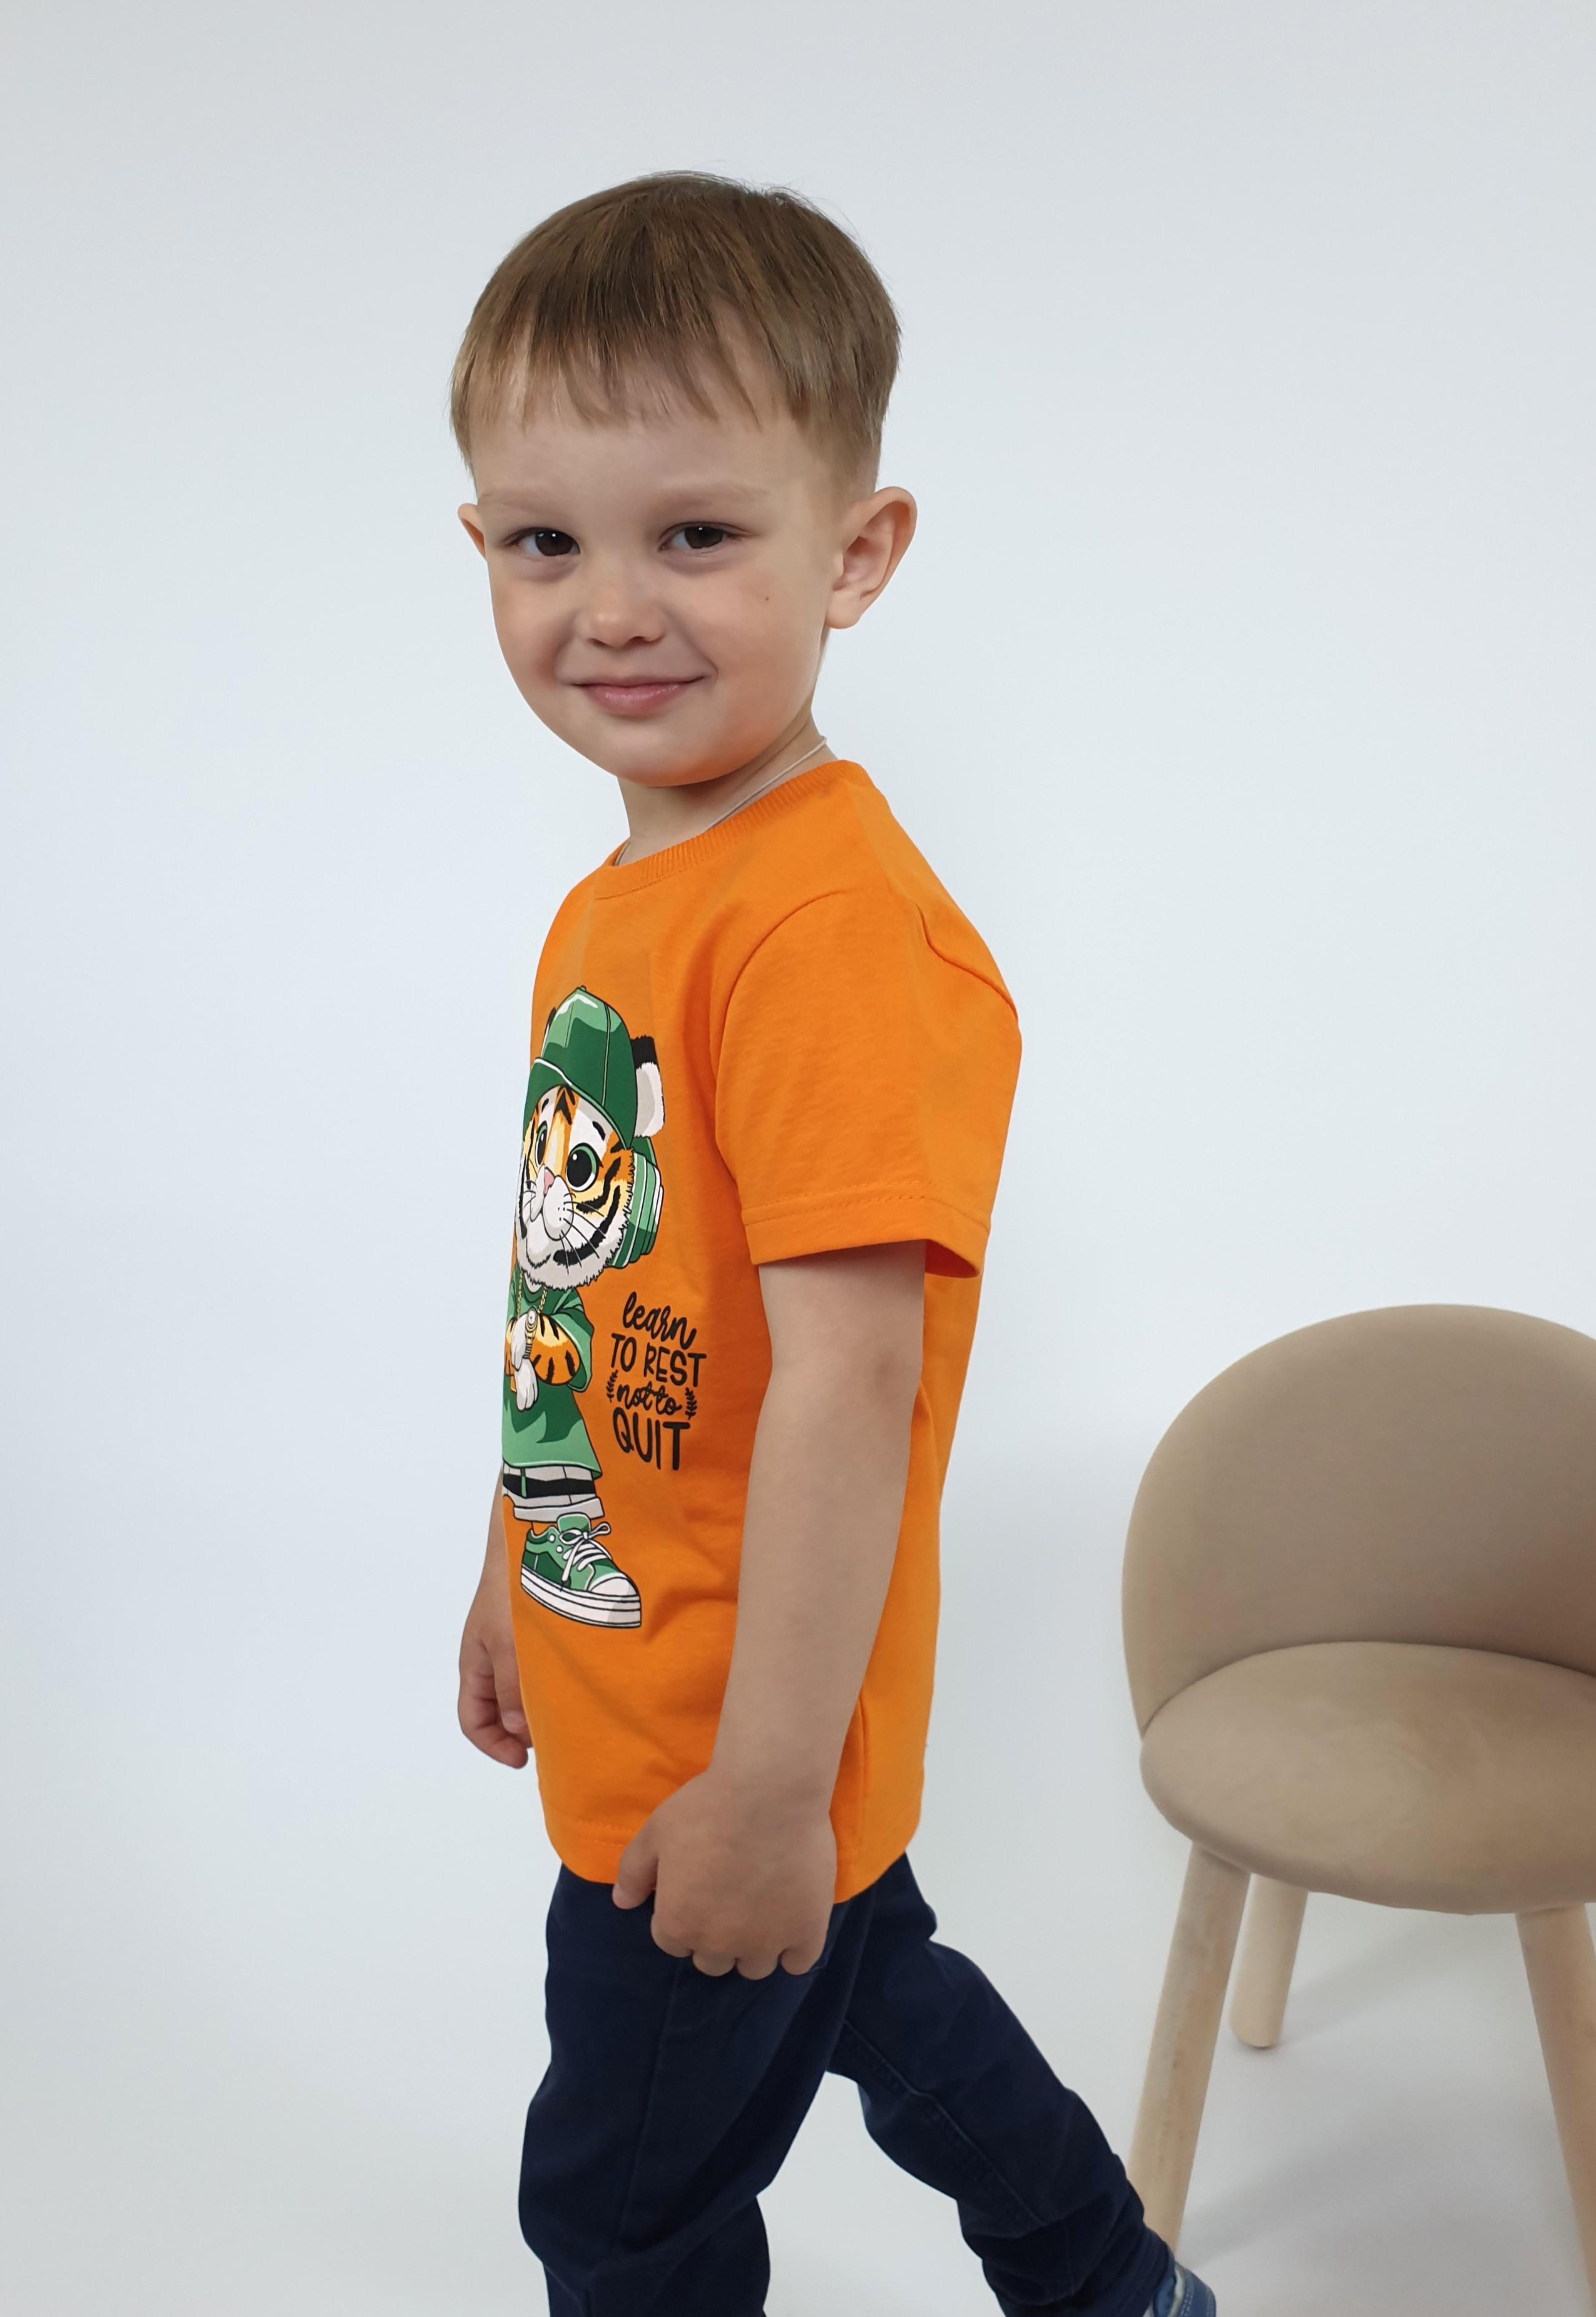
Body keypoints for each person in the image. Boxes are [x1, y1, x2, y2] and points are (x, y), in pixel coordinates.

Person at [453, 172, 1215, 2317]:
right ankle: (1115, 2287)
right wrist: (518, 1558)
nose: (613, 607)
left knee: (620, 2213)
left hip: (723, 1753)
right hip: (647, 1682)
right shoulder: (625, 905)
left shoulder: (825, 933)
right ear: (478, 546)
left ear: (856, 553)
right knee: (888, 1999)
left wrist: (772, 1789)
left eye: (697, 534)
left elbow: (851, 1381)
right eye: (546, 542)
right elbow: (590, 1290)